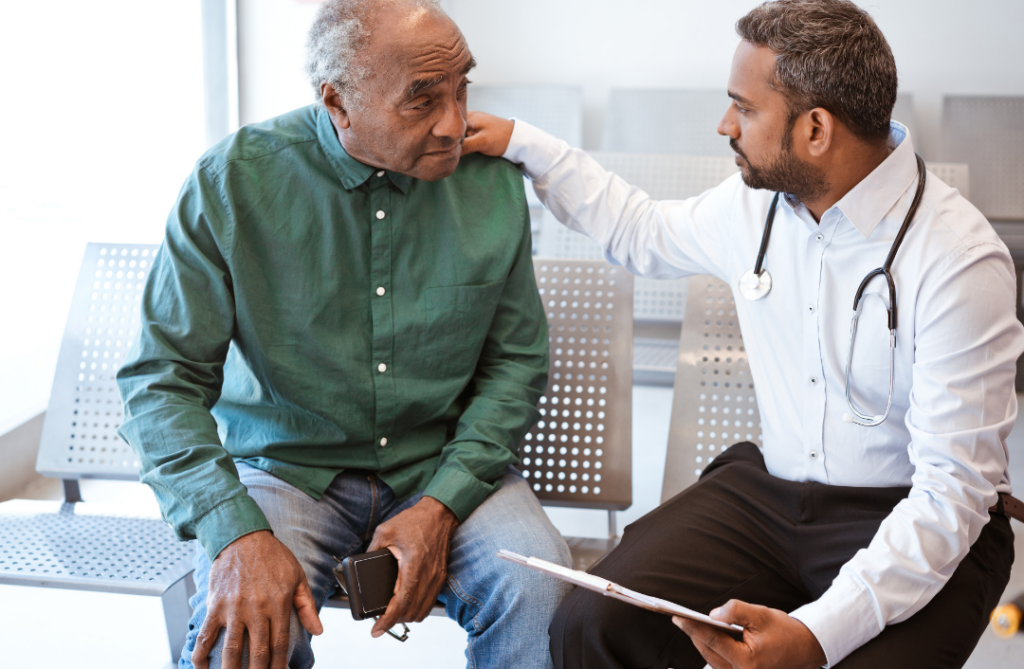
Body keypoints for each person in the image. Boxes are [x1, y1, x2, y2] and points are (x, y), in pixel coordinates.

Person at [464, 1, 1021, 667]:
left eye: (744, 108)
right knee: (591, 623)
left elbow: (951, 494)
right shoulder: (753, 205)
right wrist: (521, 141)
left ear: (816, 128)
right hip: (770, 498)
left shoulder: (958, 258)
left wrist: (816, 635)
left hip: (917, 515)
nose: (724, 124)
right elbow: (640, 228)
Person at [116, 1, 573, 668]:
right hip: (286, 467)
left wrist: (443, 501)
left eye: (462, 87)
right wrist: (233, 531)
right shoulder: (233, 182)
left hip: (442, 463)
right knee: (242, 635)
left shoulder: (492, 184)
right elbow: (161, 378)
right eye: (421, 100)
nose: (455, 121)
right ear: (337, 101)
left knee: (545, 598)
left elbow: (515, 364)